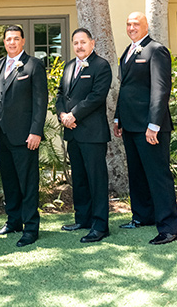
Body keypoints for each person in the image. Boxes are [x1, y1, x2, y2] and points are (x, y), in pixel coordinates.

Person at [114, 12, 177, 244]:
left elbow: (160, 90)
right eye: (129, 24)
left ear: (146, 26)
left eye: (136, 24)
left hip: (151, 127)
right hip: (131, 125)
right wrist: (117, 118)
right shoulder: (128, 51)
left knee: (158, 176)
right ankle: (143, 216)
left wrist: (154, 124)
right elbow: (126, 88)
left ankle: (170, 227)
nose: (132, 27)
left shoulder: (156, 50)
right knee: (138, 174)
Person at [0, 25, 48, 247]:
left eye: (16, 39)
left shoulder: (34, 65)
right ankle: (13, 221)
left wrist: (36, 131)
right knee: (10, 181)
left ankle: (31, 227)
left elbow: (40, 102)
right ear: (3, 42)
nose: (11, 42)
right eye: (8, 39)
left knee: (28, 182)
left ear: (23, 41)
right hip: (3, 135)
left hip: (25, 136)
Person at [56, 28, 112, 243]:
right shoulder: (70, 66)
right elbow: (61, 94)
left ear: (92, 43)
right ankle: (83, 219)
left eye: (83, 42)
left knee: (96, 180)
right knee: (79, 178)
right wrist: (62, 114)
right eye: (75, 42)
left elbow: (97, 97)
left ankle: (100, 226)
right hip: (72, 133)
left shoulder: (101, 66)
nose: (79, 46)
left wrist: (73, 114)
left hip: (92, 134)